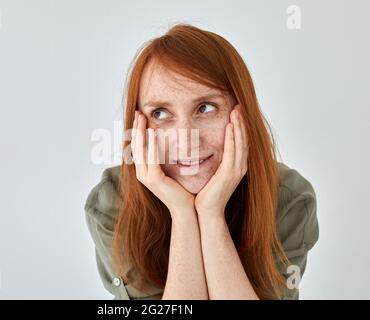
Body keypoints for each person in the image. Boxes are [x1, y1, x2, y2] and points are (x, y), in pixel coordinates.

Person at [85, 23, 319, 300]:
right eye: (160, 113)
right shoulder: (114, 201)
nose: (186, 141)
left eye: (206, 107)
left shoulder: (288, 198)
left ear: (243, 115)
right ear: (139, 129)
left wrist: (210, 214)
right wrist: (183, 213)